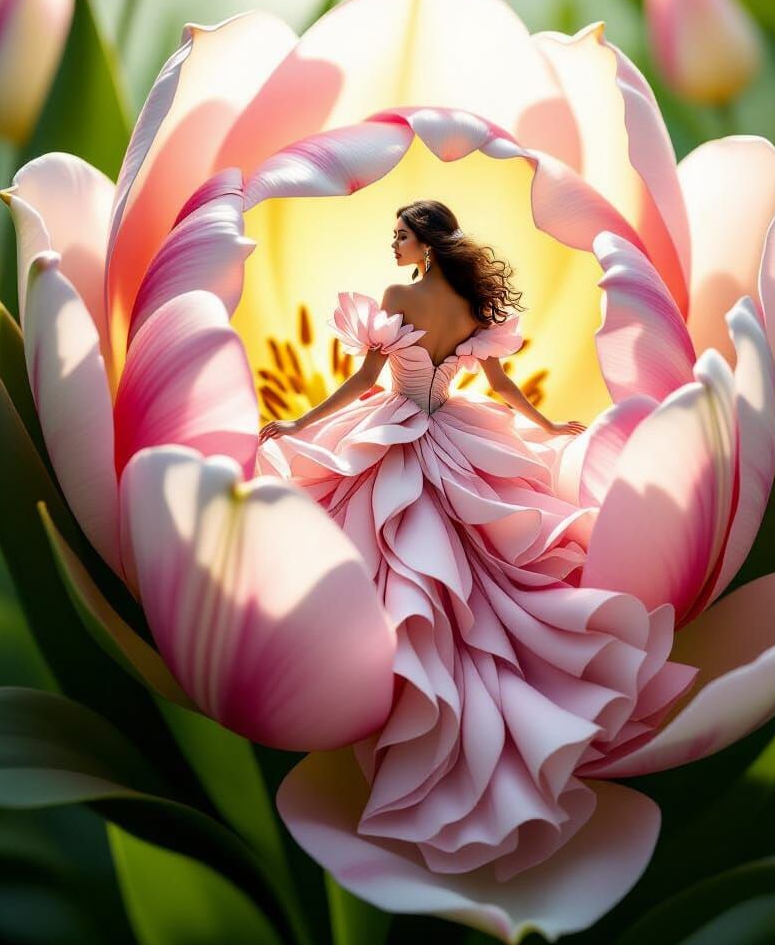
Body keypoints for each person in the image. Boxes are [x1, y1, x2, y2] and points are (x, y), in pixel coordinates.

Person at [255, 198, 608, 877]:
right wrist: (551, 424)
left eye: (400, 236)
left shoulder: (395, 297)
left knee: (382, 554)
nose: (394, 246)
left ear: (424, 243)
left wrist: (300, 425)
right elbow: (501, 385)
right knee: (469, 582)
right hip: (456, 436)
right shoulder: (474, 307)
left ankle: (384, 696)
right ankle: (468, 721)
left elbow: (362, 381)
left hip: (393, 432)